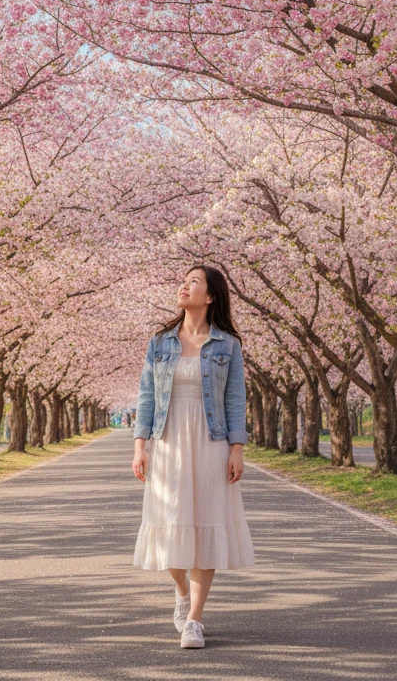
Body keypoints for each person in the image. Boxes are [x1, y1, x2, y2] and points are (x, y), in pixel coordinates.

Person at [131, 265, 255, 650]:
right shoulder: (160, 342)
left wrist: (237, 448)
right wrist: (140, 445)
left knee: (206, 524)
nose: (184, 285)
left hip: (211, 441)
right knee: (170, 522)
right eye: (184, 280)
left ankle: (195, 620)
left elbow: (235, 400)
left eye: (194, 281)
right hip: (168, 441)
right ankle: (181, 590)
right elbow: (147, 396)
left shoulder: (228, 345)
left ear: (211, 296)